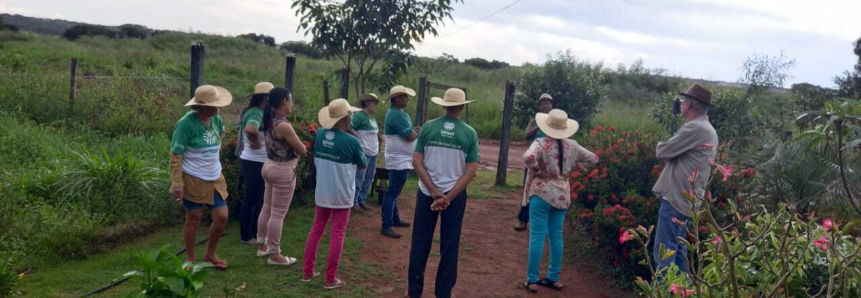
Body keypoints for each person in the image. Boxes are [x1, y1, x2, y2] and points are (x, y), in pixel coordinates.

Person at [408, 88, 479, 298]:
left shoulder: (429, 127)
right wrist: (448, 197)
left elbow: (416, 161)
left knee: (420, 242)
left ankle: (414, 291)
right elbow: (472, 169)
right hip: (454, 197)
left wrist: (433, 191)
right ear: (462, 106)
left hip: (426, 193)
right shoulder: (469, 133)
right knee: (450, 244)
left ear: (444, 105)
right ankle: (444, 292)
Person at [520, 109, 598, 293]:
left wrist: (537, 168)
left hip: (541, 192)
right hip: (562, 194)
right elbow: (594, 158)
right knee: (556, 236)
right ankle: (553, 278)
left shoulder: (540, 143)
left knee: (537, 236)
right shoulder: (572, 146)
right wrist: (577, 165)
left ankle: (531, 280)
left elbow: (528, 157)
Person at [652, 84, 718, 276]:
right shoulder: (707, 129)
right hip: (688, 202)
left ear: (688, 104)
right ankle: (682, 291)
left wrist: (663, 143)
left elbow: (662, 151)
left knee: (664, 253)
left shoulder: (694, 128)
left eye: (683, 101)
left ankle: (664, 292)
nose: (681, 104)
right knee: (679, 251)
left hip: (676, 201)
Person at [303, 98, 367, 290]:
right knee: (337, 233)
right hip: (342, 194)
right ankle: (330, 279)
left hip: (322, 191)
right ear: (346, 118)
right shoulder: (352, 141)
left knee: (317, 229)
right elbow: (363, 163)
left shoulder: (321, 134)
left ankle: (307, 272)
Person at [169, 85, 233, 270]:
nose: (219, 107)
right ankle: (190, 258)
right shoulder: (185, 124)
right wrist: (177, 182)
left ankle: (210, 254)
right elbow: (175, 155)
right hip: (192, 178)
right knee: (194, 217)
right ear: (204, 107)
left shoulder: (217, 120)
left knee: (222, 217)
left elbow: (218, 138)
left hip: (214, 177)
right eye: (215, 104)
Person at [255, 87, 308, 265]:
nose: (292, 103)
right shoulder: (283, 125)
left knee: (267, 207)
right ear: (284, 101)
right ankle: (275, 254)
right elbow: (302, 149)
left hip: (269, 166)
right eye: (290, 100)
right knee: (277, 213)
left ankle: (262, 246)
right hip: (282, 170)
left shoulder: (269, 120)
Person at [236, 82, 275, 245]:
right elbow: (251, 129)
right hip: (254, 161)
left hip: (253, 160)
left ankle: (253, 230)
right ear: (266, 97)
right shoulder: (256, 113)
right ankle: (246, 235)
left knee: (256, 198)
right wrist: (257, 143)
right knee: (252, 198)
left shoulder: (255, 111)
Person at [381, 85, 418, 239]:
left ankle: (393, 219)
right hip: (399, 160)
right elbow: (409, 136)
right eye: (404, 96)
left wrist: (413, 131)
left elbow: (409, 132)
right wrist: (416, 132)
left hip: (399, 158)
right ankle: (387, 224)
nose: (407, 99)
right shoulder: (397, 115)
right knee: (392, 192)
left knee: (394, 191)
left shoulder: (398, 113)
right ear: (396, 99)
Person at [514, 93, 554, 232]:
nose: (544, 105)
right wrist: (539, 125)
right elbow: (526, 136)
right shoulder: (533, 121)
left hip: (550, 162)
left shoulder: (555, 121)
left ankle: (546, 224)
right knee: (528, 189)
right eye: (541, 103)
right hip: (533, 162)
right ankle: (523, 220)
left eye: (547, 103)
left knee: (549, 191)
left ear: (551, 106)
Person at [348, 93, 381, 213]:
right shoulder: (359, 116)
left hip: (373, 152)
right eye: (375, 103)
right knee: (359, 177)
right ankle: (354, 202)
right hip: (364, 151)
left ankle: (362, 199)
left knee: (369, 177)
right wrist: (357, 139)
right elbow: (348, 127)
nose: (377, 106)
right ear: (367, 103)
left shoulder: (371, 117)